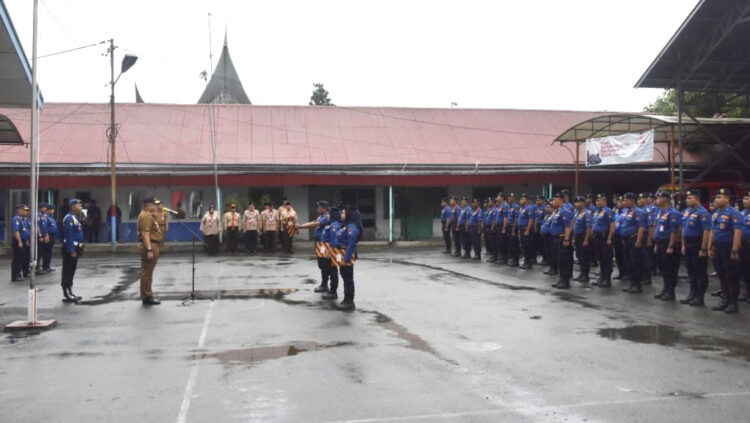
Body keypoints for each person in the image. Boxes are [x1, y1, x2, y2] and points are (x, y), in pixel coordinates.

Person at [708, 188, 743, 314]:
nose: (717, 200)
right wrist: (710, 246)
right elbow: (712, 232)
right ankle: (725, 300)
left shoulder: (734, 213)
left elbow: (737, 232)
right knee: (721, 275)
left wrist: (734, 250)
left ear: (727, 199)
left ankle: (733, 303)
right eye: (716, 197)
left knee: (731, 275)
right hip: (718, 247)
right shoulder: (716, 213)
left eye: (720, 197)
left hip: (728, 247)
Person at [680, 189, 711, 306]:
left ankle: (699, 296)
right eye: (687, 198)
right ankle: (692, 293)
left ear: (697, 199)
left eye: (689, 198)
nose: (687, 200)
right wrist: (683, 245)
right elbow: (684, 229)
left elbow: (706, 232)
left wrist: (704, 248)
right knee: (691, 271)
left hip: (697, 244)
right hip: (687, 244)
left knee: (700, 272)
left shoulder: (703, 213)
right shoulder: (687, 211)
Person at [330, 205, 362, 311]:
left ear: (349, 214)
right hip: (341, 253)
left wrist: (347, 258)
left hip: (346, 254)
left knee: (348, 278)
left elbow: (351, 244)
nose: (341, 214)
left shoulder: (352, 227)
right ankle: (346, 299)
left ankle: (349, 301)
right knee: (345, 277)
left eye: (343, 212)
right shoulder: (346, 225)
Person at [297, 201, 332, 293]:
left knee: (324, 263)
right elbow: (312, 222)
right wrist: (300, 226)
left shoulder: (327, 216)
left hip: (323, 243)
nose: (317, 209)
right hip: (319, 242)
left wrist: (300, 227)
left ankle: (325, 285)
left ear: (324, 208)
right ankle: (324, 284)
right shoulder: (321, 216)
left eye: (319, 207)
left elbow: (314, 224)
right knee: (321, 262)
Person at [652, 191, 682, 301]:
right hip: (660, 242)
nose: (657, 200)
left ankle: (671, 292)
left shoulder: (673, 213)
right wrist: (656, 244)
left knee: (670, 268)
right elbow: (657, 227)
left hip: (668, 242)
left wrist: (671, 245)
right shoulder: (660, 212)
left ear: (665, 199)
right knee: (663, 268)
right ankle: (665, 289)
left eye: (659, 197)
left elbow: (675, 231)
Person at [620, 193, 647, 294]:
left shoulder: (637, 212)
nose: (624, 202)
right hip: (626, 240)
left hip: (633, 239)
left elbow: (641, 227)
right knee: (629, 262)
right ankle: (632, 283)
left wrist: (639, 240)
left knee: (635, 262)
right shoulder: (627, 212)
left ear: (632, 201)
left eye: (625, 200)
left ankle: (637, 285)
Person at [137, 197, 162, 306]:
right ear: (149, 205)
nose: (156, 206)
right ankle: (147, 296)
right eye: (154, 204)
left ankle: (147, 294)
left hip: (153, 244)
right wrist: (149, 250)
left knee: (148, 272)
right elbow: (145, 234)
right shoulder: (146, 216)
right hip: (150, 244)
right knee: (147, 273)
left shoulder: (148, 215)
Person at [61, 199, 85, 302]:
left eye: (80, 205)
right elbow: (69, 235)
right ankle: (66, 293)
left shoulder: (74, 218)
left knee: (72, 270)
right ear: (72, 207)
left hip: (76, 247)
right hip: (70, 247)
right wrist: (71, 250)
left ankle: (70, 291)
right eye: (78, 205)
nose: (80, 207)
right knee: (68, 271)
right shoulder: (69, 218)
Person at [550, 193, 574, 288]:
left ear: (559, 201)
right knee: (559, 260)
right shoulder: (557, 211)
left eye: (554, 200)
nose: (553, 202)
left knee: (564, 260)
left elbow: (568, 226)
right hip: (556, 238)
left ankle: (566, 281)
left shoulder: (564, 211)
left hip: (562, 238)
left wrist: (566, 239)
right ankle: (561, 279)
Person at [591, 194, 615, 287]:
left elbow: (612, 225)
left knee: (606, 258)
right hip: (597, 237)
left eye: (600, 200)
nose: (598, 202)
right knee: (600, 258)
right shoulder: (597, 211)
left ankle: (607, 279)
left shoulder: (608, 211)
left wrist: (609, 237)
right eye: (596, 201)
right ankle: (602, 277)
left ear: (604, 201)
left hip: (604, 237)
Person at [321, 206, 342, 300]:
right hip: (327, 250)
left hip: (331, 252)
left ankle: (333, 291)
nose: (328, 216)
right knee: (330, 270)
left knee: (333, 271)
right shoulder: (331, 224)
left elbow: (333, 241)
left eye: (329, 214)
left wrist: (329, 252)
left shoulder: (334, 226)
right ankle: (331, 290)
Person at [572, 196, 593, 283]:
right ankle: (581, 273)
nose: (577, 204)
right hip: (577, 237)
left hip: (583, 237)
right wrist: (573, 238)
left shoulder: (586, 213)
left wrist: (586, 239)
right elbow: (575, 227)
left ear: (583, 203)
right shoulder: (576, 212)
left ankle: (585, 275)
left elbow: (589, 228)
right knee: (579, 257)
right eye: (576, 202)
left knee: (585, 257)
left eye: (579, 202)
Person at [10, 204, 30, 282]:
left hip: (24, 241)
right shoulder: (16, 219)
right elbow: (16, 231)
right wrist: (19, 241)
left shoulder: (23, 219)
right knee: (17, 259)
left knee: (23, 258)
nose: (25, 211)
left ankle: (21, 273)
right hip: (18, 241)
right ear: (19, 210)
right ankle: (16, 275)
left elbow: (26, 231)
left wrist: (27, 241)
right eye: (24, 210)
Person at [638, 193, 654, 286]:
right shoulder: (640, 210)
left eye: (641, 199)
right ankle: (642, 276)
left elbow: (650, 226)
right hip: (640, 234)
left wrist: (649, 239)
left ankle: (647, 278)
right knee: (640, 257)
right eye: (638, 199)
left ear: (645, 200)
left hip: (646, 234)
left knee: (646, 258)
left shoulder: (648, 211)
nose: (639, 201)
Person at [518, 194, 536, 269]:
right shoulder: (521, 208)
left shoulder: (529, 208)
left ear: (526, 200)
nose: (520, 200)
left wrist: (528, 230)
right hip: (521, 229)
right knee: (523, 246)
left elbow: (531, 219)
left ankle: (528, 263)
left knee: (527, 246)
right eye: (520, 199)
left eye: (522, 199)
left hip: (526, 229)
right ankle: (525, 262)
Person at [612, 195, 628, 280]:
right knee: (618, 256)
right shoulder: (617, 212)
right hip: (616, 236)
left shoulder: (626, 212)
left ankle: (626, 273)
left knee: (624, 256)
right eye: (618, 201)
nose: (619, 203)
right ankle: (621, 272)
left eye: (621, 201)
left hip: (623, 237)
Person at [738, 191, 750, 303]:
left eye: (747, 199)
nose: (744, 201)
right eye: (744, 199)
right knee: (744, 270)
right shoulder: (743, 212)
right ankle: (746, 291)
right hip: (743, 245)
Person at [41, 204, 58, 273]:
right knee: (46, 251)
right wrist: (46, 234)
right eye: (51, 209)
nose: (53, 211)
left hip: (52, 236)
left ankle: (48, 266)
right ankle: (45, 266)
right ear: (47, 210)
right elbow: (44, 227)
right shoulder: (45, 217)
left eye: (53, 209)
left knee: (49, 252)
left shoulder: (51, 217)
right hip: (48, 236)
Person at [34, 203, 49, 274]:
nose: (45, 209)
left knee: (42, 252)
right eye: (44, 207)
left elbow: (45, 226)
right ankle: (37, 268)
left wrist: (46, 235)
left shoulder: (45, 215)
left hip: (44, 235)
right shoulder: (37, 215)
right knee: (38, 253)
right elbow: (37, 226)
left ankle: (39, 267)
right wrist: (40, 235)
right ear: (39, 208)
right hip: (38, 236)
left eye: (45, 207)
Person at [540, 202, 554, 273]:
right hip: (546, 236)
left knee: (552, 253)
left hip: (551, 237)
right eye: (546, 207)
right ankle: (550, 267)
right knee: (548, 252)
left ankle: (553, 268)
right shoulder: (547, 216)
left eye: (548, 207)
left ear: (552, 208)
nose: (546, 208)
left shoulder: (553, 216)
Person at [533, 196, 546, 265]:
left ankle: (545, 259)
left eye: (538, 200)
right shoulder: (536, 208)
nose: (537, 201)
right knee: (536, 243)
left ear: (542, 201)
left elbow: (546, 219)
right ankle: (534, 259)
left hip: (542, 227)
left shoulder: (545, 208)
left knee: (542, 244)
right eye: (536, 200)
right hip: (536, 227)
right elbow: (535, 218)